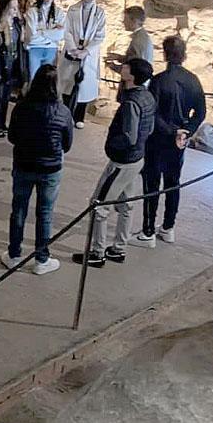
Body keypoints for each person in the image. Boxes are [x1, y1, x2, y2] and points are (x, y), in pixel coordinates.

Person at [73, 58, 156, 268]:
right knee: (126, 205)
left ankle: (97, 252)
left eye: (126, 67)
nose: (123, 68)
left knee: (99, 205)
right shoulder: (147, 97)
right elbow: (149, 129)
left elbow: (130, 136)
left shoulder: (131, 103)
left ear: (132, 75)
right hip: (137, 159)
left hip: (122, 162)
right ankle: (119, 248)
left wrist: (112, 146)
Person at [132, 36, 207, 248]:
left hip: (158, 139)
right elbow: (200, 112)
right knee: (173, 183)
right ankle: (168, 227)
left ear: (165, 54)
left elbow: (153, 113)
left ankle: (148, 230)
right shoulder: (193, 80)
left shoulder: (159, 80)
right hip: (178, 141)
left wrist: (172, 131)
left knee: (152, 183)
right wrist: (185, 132)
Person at [2, 64, 74, 274]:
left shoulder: (22, 107)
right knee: (45, 213)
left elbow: (12, 136)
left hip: (24, 164)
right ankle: (42, 259)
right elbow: (67, 144)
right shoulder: (63, 112)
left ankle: (14, 254)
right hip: (50, 168)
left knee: (19, 210)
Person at [57, 0, 107, 128]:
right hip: (73, 50)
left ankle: (79, 117)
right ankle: (65, 114)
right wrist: (73, 49)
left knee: (84, 86)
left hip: (88, 52)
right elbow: (67, 31)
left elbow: (100, 36)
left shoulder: (100, 13)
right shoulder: (73, 10)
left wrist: (86, 51)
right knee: (68, 83)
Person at [0, 0, 25, 137]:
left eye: (16, 7)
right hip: (1, 64)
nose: (15, 10)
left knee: (6, 97)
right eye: (12, 7)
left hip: (12, 64)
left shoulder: (17, 24)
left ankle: (2, 123)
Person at [23, 0, 64, 76]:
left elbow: (61, 35)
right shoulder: (32, 12)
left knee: (48, 81)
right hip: (34, 49)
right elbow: (31, 36)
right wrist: (52, 31)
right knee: (33, 80)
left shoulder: (59, 13)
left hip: (51, 49)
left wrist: (41, 32)